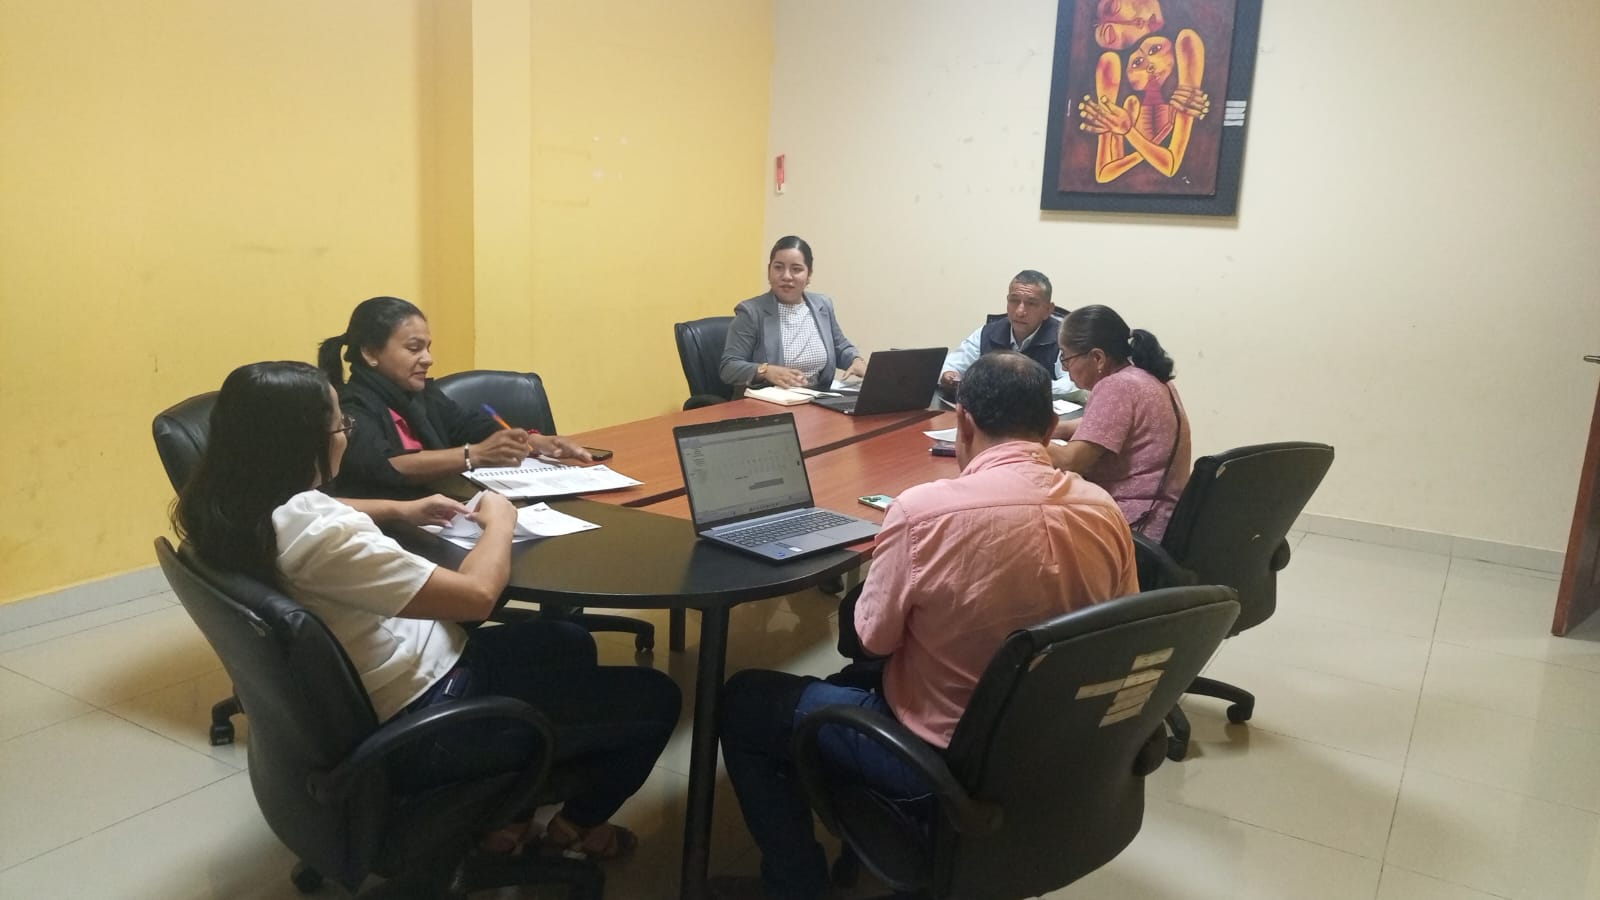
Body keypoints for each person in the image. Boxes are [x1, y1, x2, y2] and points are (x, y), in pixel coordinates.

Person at [173, 361, 680, 858]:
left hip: (390, 688)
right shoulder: (327, 540)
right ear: (301, 442)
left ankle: (507, 818)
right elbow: (476, 596)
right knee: (657, 697)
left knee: (567, 641)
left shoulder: (230, 511)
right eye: (340, 426)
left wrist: (401, 509)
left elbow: (321, 509)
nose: (345, 436)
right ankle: (577, 829)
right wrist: (501, 521)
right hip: (428, 718)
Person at [712, 352, 1138, 900]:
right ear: (1052, 426)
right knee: (853, 679)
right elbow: (1122, 630)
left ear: (963, 421)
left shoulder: (923, 512)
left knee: (747, 700)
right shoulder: (1104, 510)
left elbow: (873, 640)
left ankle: (796, 886)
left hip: (939, 767)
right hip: (1053, 754)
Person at [318, 296, 591, 498]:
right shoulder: (351, 404)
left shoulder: (420, 394)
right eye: (414, 348)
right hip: (390, 523)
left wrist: (535, 441)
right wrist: (474, 455)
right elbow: (385, 465)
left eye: (428, 348)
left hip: (442, 508)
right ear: (370, 353)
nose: (428, 359)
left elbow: (471, 426)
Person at [1048, 304, 1191, 540]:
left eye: (1066, 357)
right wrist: (1050, 429)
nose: (1065, 367)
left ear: (1097, 357)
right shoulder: (1146, 377)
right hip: (1165, 521)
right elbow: (1098, 426)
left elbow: (1071, 461)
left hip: (1133, 526)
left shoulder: (1116, 386)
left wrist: (1014, 439)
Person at [719, 236, 867, 392]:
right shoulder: (751, 312)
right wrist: (765, 371)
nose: (786, 276)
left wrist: (855, 360)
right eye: (778, 267)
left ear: (809, 274)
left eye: (796, 269)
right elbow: (729, 367)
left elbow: (840, 347)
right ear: (769, 271)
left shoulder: (822, 305)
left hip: (817, 397)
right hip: (768, 401)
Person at [937, 270, 1076, 400]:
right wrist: (949, 374)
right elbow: (950, 365)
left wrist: (1025, 387)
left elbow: (1072, 383)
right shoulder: (987, 333)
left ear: (1048, 310)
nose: (1020, 311)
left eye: (1031, 303)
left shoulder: (1063, 338)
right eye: (1014, 301)